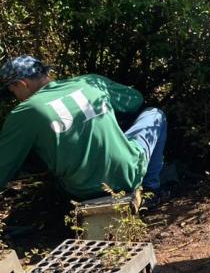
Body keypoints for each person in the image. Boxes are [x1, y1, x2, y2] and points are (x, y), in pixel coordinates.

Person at [0, 56, 167, 202]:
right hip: (129, 175)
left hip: (81, 191)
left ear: (23, 84)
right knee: (154, 114)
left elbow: (3, 167)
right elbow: (135, 100)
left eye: (12, 91)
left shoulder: (25, 112)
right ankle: (150, 190)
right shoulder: (90, 82)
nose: (15, 98)